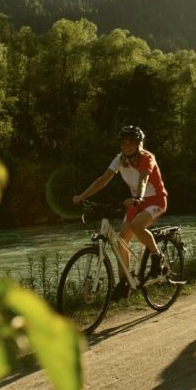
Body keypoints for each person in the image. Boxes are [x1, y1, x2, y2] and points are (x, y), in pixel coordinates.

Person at [73, 125, 168, 301]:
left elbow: (143, 179)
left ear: (138, 144)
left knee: (137, 225)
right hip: (135, 203)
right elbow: (103, 180)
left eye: (130, 143)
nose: (126, 147)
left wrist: (138, 197)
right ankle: (125, 283)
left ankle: (156, 255)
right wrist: (82, 196)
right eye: (123, 143)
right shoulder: (120, 159)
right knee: (121, 243)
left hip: (155, 200)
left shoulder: (147, 158)